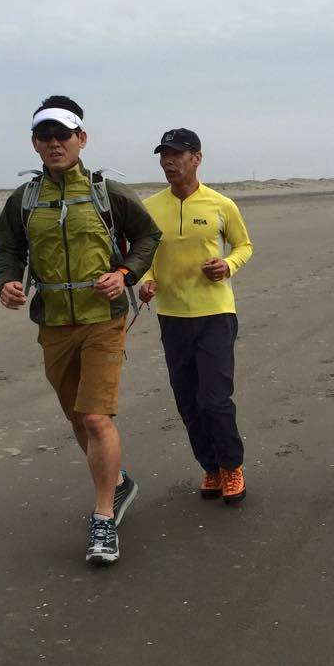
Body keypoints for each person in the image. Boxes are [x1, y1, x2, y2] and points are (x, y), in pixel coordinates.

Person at [0, 95, 162, 564]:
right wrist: (6, 281)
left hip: (103, 320)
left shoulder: (108, 192)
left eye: (63, 135)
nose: (54, 143)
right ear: (34, 143)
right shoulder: (24, 199)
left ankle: (104, 517)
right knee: (75, 416)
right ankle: (118, 481)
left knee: (94, 417)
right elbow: (8, 248)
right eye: (44, 136)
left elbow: (148, 235)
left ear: (81, 138)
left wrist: (125, 273)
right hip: (53, 323)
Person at [139, 128, 253, 503]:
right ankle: (211, 467)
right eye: (164, 155)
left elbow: (243, 245)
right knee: (187, 400)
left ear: (197, 159)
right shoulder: (150, 207)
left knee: (215, 398)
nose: (168, 162)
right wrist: (146, 280)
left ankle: (232, 467)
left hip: (215, 313)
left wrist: (227, 265)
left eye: (176, 154)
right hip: (172, 315)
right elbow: (141, 255)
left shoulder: (220, 204)